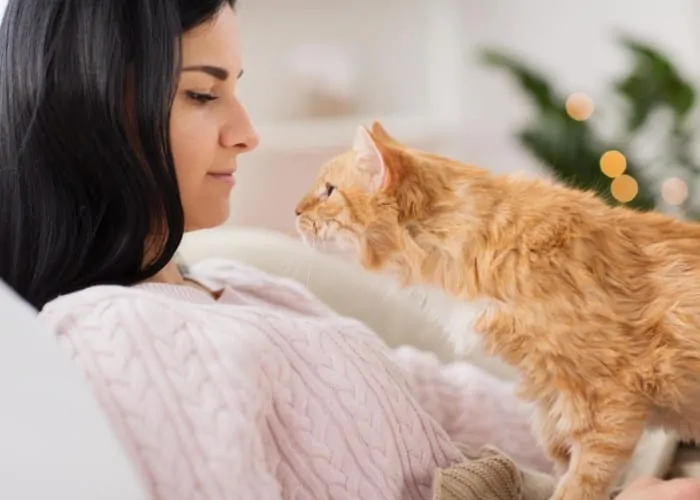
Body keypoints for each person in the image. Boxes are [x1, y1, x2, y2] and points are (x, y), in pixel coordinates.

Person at [0, 1, 697, 499]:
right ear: (89, 106)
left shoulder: (246, 285)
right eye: (202, 94)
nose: (248, 132)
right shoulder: (122, 335)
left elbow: (441, 396)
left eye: (238, 90)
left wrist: (654, 440)